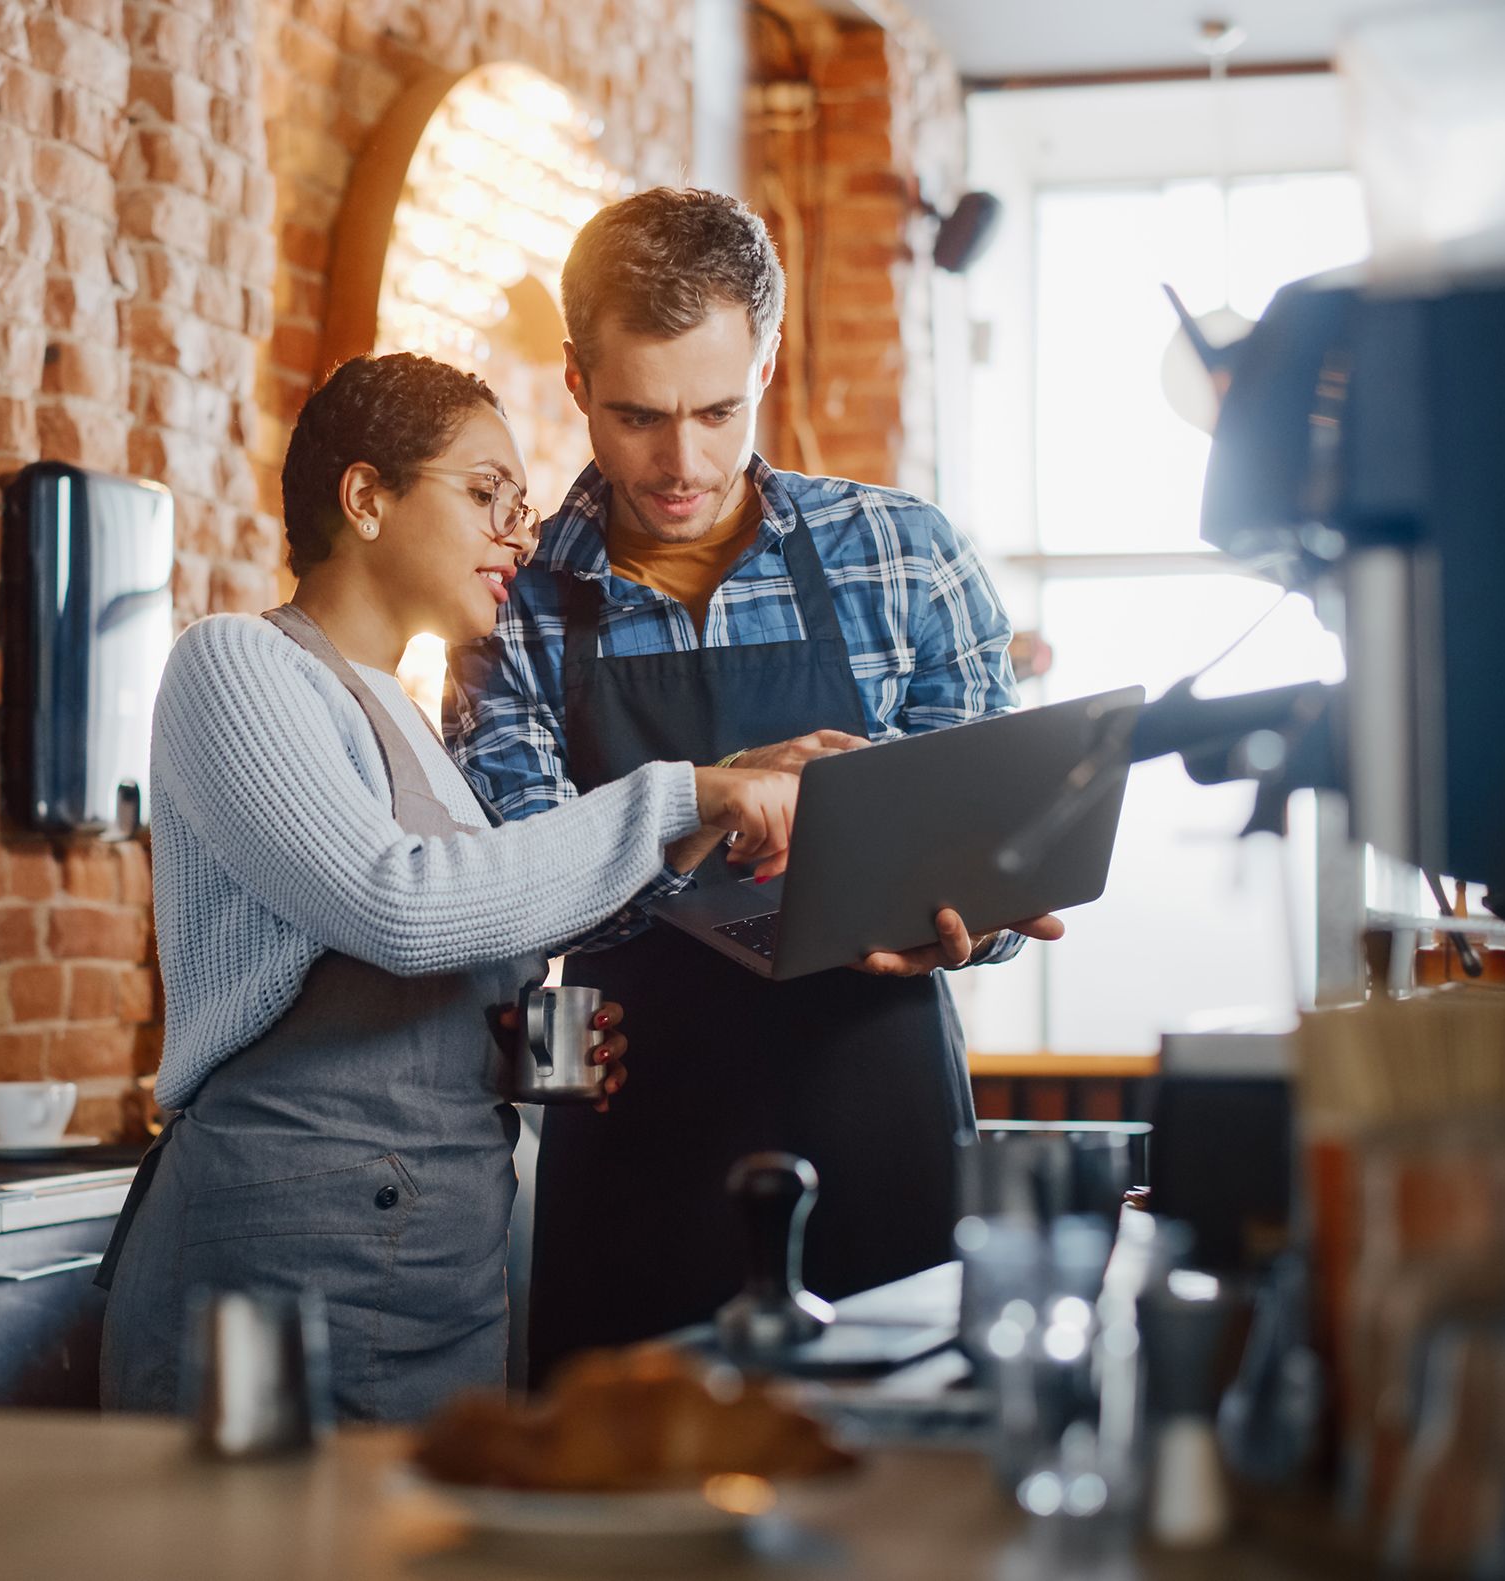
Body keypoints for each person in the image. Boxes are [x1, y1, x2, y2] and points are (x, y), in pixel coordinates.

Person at [97, 352, 800, 1424]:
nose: (518, 534)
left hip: (437, 1273)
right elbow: (401, 906)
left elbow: (424, 964)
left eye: (521, 507)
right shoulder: (233, 664)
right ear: (366, 497)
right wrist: (681, 796)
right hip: (281, 1267)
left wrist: (521, 1054)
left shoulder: (414, 730)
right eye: (487, 497)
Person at [444, 189, 1068, 1382]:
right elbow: (516, 887)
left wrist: (973, 923)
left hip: (880, 1105)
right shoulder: (508, 601)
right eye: (637, 416)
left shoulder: (904, 554)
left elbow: (993, 850)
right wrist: (713, 798)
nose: (681, 463)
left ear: (767, 362)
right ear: (576, 381)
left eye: (719, 410)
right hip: (642, 1131)